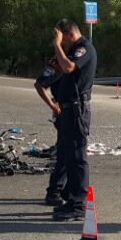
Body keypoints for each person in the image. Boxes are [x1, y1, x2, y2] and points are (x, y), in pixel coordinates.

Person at [49, 19, 97, 221]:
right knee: (68, 155)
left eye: (62, 39)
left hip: (77, 110)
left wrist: (57, 45)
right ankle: (72, 200)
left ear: (69, 34)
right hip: (67, 109)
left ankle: (79, 205)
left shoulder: (84, 48)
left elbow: (69, 68)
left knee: (77, 156)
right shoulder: (73, 49)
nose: (62, 44)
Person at [34, 56, 67, 206]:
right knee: (66, 153)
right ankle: (55, 191)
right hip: (63, 113)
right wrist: (54, 106)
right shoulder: (58, 63)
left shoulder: (72, 60)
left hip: (72, 111)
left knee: (71, 153)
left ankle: (64, 189)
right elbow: (39, 84)